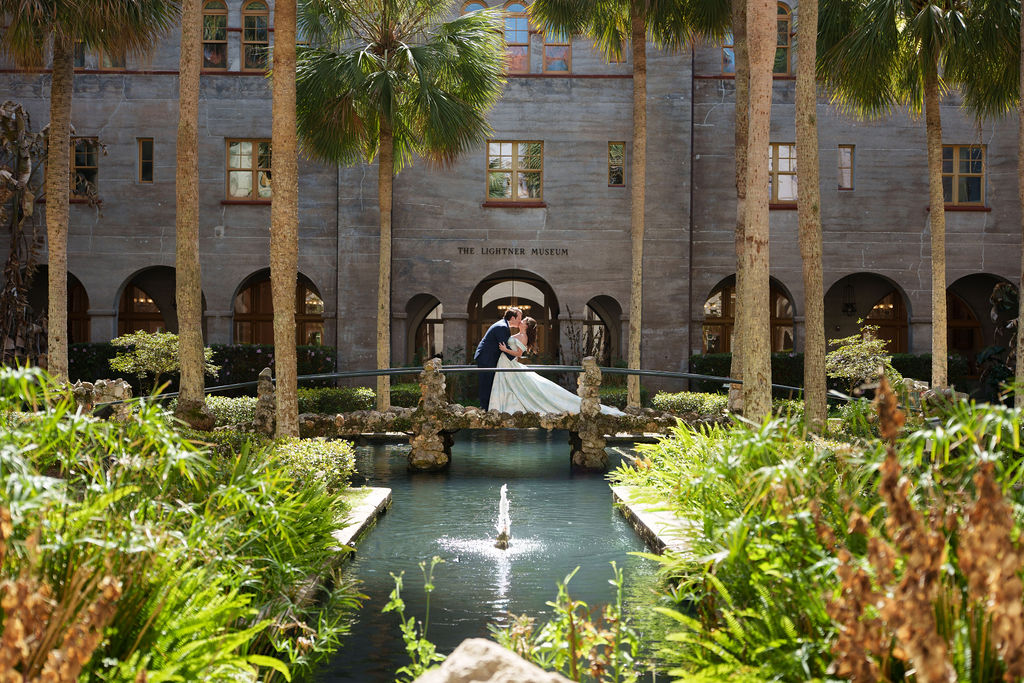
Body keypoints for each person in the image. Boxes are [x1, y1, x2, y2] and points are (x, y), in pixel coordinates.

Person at [491, 317, 625, 416]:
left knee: (532, 388)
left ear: (526, 326)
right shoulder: (519, 334)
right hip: (506, 363)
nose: (521, 321)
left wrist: (505, 349)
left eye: (524, 320)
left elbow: (519, 353)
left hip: (509, 362)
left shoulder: (523, 336)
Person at [473, 307, 522, 410]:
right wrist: (515, 358)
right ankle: (485, 410)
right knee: (486, 385)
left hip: (489, 358)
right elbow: (504, 346)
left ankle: (487, 409)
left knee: (489, 384)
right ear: (513, 318)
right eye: (519, 318)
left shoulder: (503, 325)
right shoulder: (502, 327)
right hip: (486, 359)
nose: (520, 321)